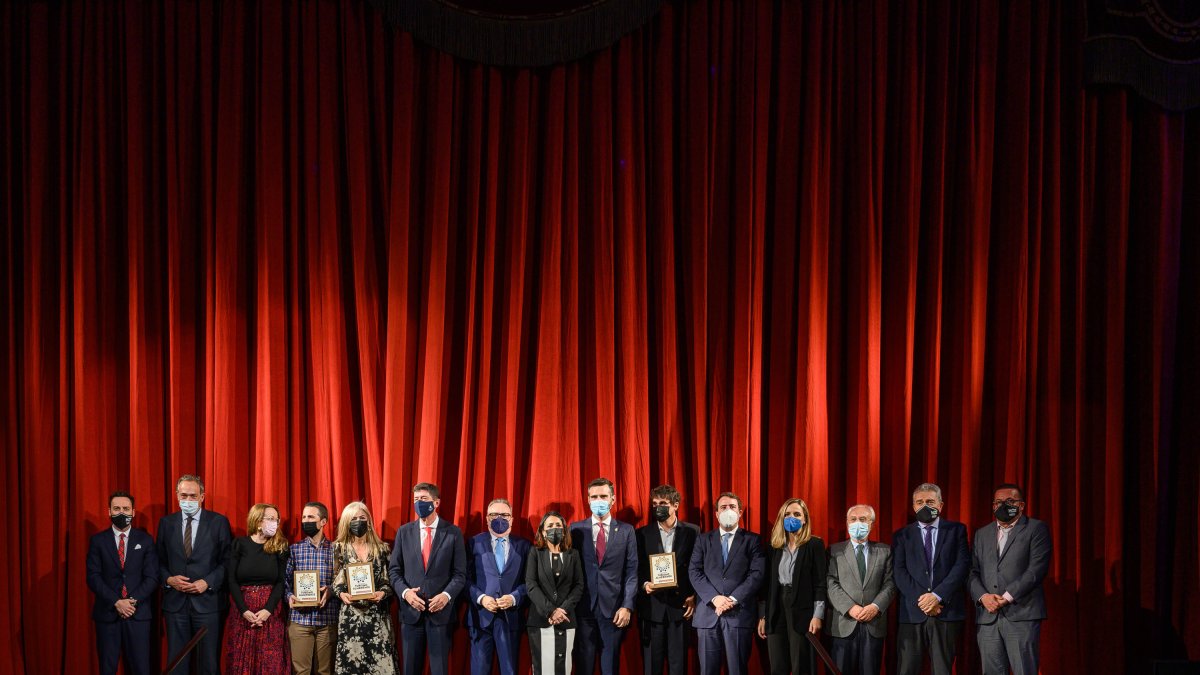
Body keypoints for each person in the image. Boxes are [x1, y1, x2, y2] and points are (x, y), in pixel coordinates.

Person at [968, 484, 1051, 675]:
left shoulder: (1036, 529)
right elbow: (972, 572)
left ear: (1021, 506)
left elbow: (1036, 570)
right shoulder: (982, 533)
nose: (1003, 506)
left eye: (1009, 502)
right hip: (988, 617)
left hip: (1021, 615)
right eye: (998, 502)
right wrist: (983, 597)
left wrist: (1007, 596)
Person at [389, 482, 468, 675]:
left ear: (436, 502)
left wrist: (446, 596)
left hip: (440, 615)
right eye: (416, 499)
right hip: (410, 614)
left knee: (440, 669)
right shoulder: (404, 532)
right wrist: (406, 594)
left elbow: (460, 574)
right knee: (410, 669)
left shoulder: (453, 533)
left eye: (423, 499)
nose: (419, 503)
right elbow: (394, 571)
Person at [891, 482, 970, 675]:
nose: (925, 506)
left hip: (946, 611)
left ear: (940, 505)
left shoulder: (956, 530)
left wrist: (937, 596)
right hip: (912, 613)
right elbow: (899, 572)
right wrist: (925, 601)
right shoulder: (902, 535)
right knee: (907, 669)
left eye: (930, 501)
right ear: (913, 507)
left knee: (943, 669)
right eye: (919, 502)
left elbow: (961, 566)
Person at [158, 474, 232, 675]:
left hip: (208, 603)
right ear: (176, 495)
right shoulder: (166, 523)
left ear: (202, 497)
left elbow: (228, 561)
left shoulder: (219, 522)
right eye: (184, 495)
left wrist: (207, 582)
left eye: (193, 496)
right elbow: (159, 561)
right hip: (175, 604)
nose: (188, 500)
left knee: (208, 664)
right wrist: (168, 579)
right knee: (177, 662)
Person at [688, 492, 764, 675]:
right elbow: (694, 571)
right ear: (716, 513)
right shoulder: (703, 539)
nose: (728, 510)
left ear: (740, 512)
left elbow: (757, 574)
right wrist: (714, 598)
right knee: (707, 670)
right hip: (708, 615)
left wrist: (732, 598)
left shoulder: (753, 540)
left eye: (732, 507)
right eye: (723, 507)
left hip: (739, 615)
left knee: (738, 669)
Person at [568, 477, 638, 675]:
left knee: (610, 667)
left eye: (603, 496)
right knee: (583, 666)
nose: (599, 500)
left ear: (613, 499)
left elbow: (632, 571)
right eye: (594, 496)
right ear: (588, 500)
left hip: (615, 611)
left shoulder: (626, 531)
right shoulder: (575, 529)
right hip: (583, 609)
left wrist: (627, 606)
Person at [87, 490, 159, 675]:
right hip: (108, 614)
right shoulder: (98, 541)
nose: (122, 513)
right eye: (117, 508)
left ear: (133, 512)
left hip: (138, 614)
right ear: (109, 511)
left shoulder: (145, 540)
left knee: (141, 668)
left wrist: (131, 602)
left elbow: (152, 577)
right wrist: (117, 602)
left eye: (126, 509)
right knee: (107, 668)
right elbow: (93, 577)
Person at [757, 498, 827, 675]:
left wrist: (817, 615)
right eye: (787, 514)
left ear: (805, 519)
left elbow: (820, 583)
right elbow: (767, 586)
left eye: (797, 514)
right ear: (781, 518)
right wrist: (763, 615)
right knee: (778, 665)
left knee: (800, 665)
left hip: (802, 609)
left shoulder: (814, 545)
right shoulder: (774, 546)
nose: (791, 517)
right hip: (776, 607)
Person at [635, 485, 699, 675]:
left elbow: (698, 567)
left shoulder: (692, 531)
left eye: (663, 503)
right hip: (651, 608)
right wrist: (645, 585)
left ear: (675, 505)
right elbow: (635, 568)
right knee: (651, 667)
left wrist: (694, 595)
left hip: (680, 608)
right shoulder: (641, 533)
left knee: (678, 666)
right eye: (654, 504)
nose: (658, 508)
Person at [825, 504, 896, 675]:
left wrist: (875, 607)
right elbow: (830, 582)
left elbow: (890, 583)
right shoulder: (834, 550)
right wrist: (850, 608)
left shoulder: (885, 551)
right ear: (847, 522)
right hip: (843, 624)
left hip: (874, 624)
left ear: (871, 524)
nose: (858, 523)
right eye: (853, 519)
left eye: (863, 519)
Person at [466, 498, 532, 675]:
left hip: (511, 618)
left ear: (511, 519)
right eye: (494, 514)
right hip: (480, 618)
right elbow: (465, 579)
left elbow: (531, 582)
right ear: (487, 518)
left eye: (504, 515)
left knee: (509, 670)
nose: (499, 518)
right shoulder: (474, 543)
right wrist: (481, 598)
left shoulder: (525, 546)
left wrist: (514, 597)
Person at [223, 503, 291, 674]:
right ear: (258, 521)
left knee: (270, 662)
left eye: (276, 520)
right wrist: (244, 610)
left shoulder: (280, 545)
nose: (274, 523)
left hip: (271, 613)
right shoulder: (239, 544)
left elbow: (281, 582)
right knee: (241, 660)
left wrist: (268, 610)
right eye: (270, 519)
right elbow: (231, 580)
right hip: (243, 613)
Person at [331, 501, 397, 674]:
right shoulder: (338, 548)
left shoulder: (382, 549)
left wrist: (382, 592)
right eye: (354, 518)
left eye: (362, 518)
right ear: (346, 522)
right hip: (350, 618)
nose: (358, 521)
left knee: (380, 666)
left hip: (377, 616)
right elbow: (335, 581)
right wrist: (341, 594)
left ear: (369, 521)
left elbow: (389, 582)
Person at [526, 511, 585, 675]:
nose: (555, 529)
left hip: (566, 619)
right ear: (543, 532)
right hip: (540, 620)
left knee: (564, 667)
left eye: (558, 525)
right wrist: (551, 610)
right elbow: (531, 585)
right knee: (543, 668)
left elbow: (579, 585)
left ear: (565, 530)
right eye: (550, 526)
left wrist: (562, 609)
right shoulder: (535, 553)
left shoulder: (573, 554)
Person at [285, 501, 338, 675]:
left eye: (311, 517)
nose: (306, 520)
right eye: (304, 517)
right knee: (301, 671)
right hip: (300, 620)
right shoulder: (294, 550)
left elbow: (341, 581)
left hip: (327, 619)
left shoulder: (336, 550)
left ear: (323, 521)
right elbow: (285, 581)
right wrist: (289, 596)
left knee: (325, 671)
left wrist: (331, 590)